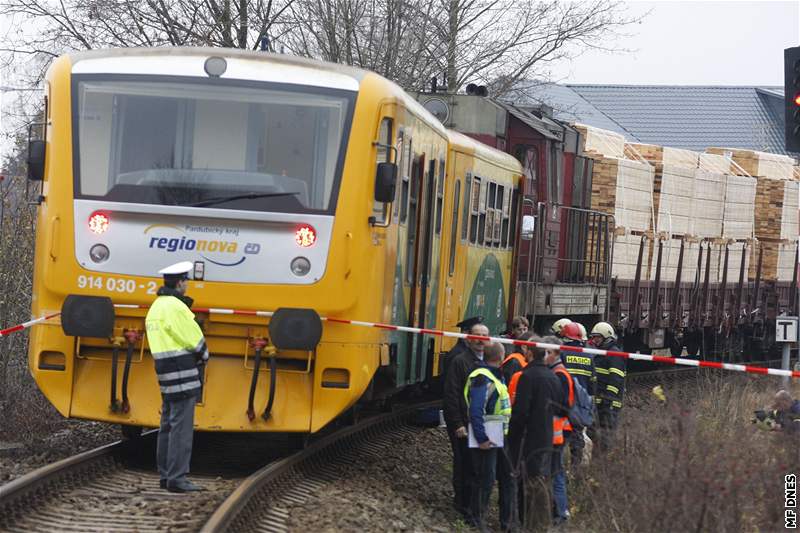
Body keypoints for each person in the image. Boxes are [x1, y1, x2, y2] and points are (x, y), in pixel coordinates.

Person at [145, 261, 209, 493]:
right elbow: (195, 340)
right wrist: (204, 354)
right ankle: (177, 478)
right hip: (182, 370)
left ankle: (165, 475)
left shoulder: (157, 307)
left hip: (164, 369)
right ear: (181, 282)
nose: (187, 285)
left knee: (168, 424)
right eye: (186, 281)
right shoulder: (176, 307)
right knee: (182, 426)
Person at [508, 334, 565, 532]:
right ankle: (542, 523)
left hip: (528, 439)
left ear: (530, 353)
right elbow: (563, 408)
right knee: (542, 481)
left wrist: (512, 437)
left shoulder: (527, 376)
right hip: (547, 438)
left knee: (531, 484)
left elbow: (521, 412)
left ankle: (534, 526)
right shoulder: (553, 376)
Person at [443, 319, 490, 518]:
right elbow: (452, 394)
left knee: (479, 466)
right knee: (463, 463)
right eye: (476, 336)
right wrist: (457, 424)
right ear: (469, 339)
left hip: (484, 424)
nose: (480, 340)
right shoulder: (460, 361)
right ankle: (461, 503)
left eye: (484, 337)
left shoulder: (490, 360)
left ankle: (473, 505)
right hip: (464, 422)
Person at [464, 342, 511, 528]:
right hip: (487, 436)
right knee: (484, 479)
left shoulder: (492, 376)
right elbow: (476, 411)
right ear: (501, 357)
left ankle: (477, 518)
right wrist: (482, 438)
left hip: (496, 434)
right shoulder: (483, 378)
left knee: (488, 478)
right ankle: (476, 520)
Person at [544, 336, 575, 525]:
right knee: (556, 472)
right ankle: (558, 510)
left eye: (547, 352)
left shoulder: (560, 374)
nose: (544, 356)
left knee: (556, 473)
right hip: (557, 431)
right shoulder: (557, 372)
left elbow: (564, 405)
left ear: (556, 353)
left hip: (558, 432)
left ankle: (560, 513)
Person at [560, 322, 595, 468]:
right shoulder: (589, 355)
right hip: (581, 401)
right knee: (577, 434)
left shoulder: (562, 352)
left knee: (560, 434)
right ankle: (576, 466)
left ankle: (560, 466)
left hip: (563, 400)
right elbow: (593, 382)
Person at [588, 321, 626, 452]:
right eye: (593, 337)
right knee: (596, 435)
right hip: (601, 403)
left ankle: (604, 464)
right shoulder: (601, 353)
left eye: (597, 337)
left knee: (606, 437)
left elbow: (616, 379)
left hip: (610, 405)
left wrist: (608, 399)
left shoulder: (614, 354)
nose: (594, 340)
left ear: (606, 336)